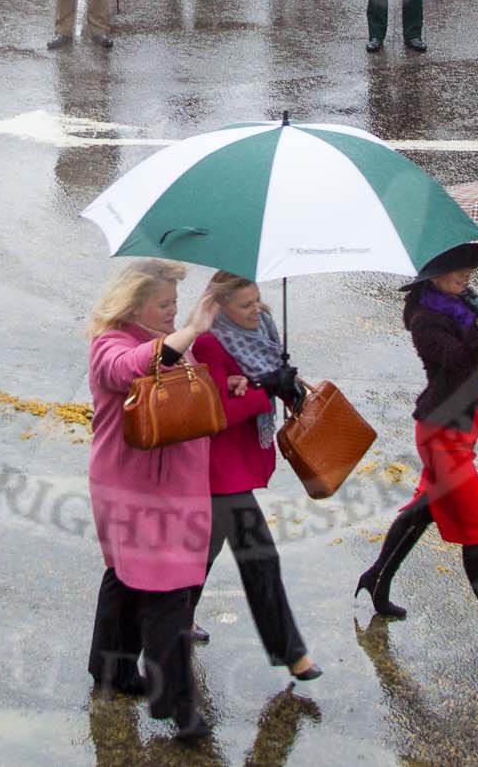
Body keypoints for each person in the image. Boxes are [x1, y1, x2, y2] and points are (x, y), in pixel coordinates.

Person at [353, 243, 478, 662]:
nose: (467, 276)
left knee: (425, 508)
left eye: (469, 270)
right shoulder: (425, 320)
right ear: (433, 275)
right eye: (458, 271)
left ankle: (377, 577)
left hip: (463, 425)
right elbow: (468, 365)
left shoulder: (460, 303)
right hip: (442, 435)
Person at [85, 259, 216, 741]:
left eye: (176, 303)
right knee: (167, 595)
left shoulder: (169, 347)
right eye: (163, 304)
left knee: (127, 578)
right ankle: (179, 708)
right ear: (133, 305)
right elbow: (129, 369)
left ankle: (110, 670)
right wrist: (189, 331)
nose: (172, 311)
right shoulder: (111, 345)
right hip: (134, 490)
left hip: (170, 489)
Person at [187, 273, 321, 682]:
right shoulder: (209, 342)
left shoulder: (263, 333)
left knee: (202, 556)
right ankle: (293, 653)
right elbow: (219, 412)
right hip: (219, 469)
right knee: (261, 558)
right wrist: (265, 388)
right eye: (245, 305)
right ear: (221, 306)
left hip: (239, 464)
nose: (256, 310)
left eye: (258, 300)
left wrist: (283, 384)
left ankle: (169, 620)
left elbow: (260, 382)